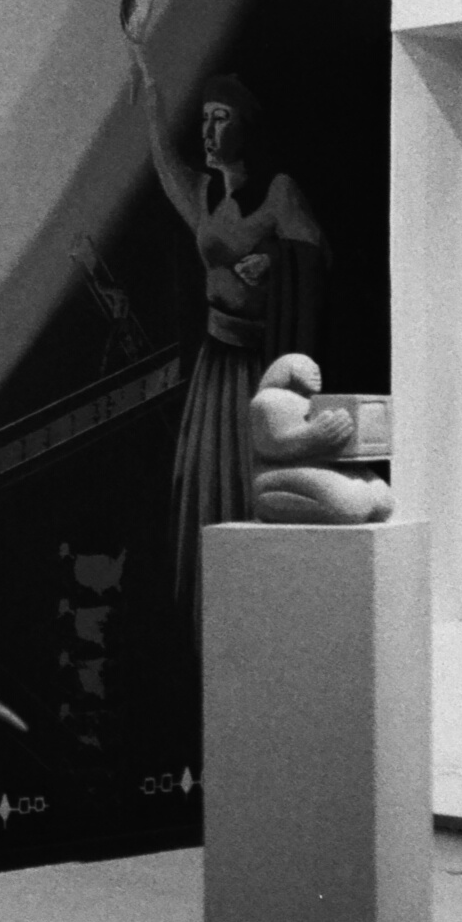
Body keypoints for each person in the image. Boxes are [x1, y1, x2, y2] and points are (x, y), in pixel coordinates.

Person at [129, 56, 327, 611]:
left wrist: (275, 260)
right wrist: (153, 106)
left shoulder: (278, 192)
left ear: (247, 126)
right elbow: (167, 166)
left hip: (257, 369)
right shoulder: (204, 195)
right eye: (205, 118)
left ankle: (255, 605)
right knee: (206, 484)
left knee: (249, 482)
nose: (208, 131)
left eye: (221, 118)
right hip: (214, 366)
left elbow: (317, 259)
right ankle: (210, 611)